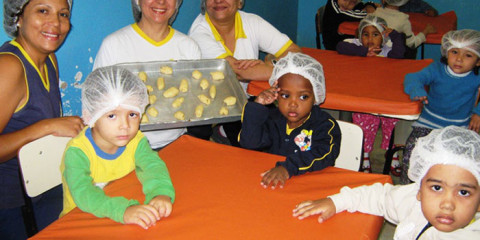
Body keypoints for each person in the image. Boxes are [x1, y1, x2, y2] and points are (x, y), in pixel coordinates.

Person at [293, 126, 480, 239]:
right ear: (419, 190)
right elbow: (380, 196)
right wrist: (336, 202)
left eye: (463, 192)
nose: (447, 204)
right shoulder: (412, 202)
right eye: (437, 188)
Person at [0, 0, 84, 239]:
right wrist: (45, 127)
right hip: (11, 205)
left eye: (63, 14)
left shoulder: (49, 60)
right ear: (18, 17)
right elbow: (41, 128)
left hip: (43, 189)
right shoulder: (9, 66)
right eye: (42, 10)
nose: (55, 23)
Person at [60, 66, 175, 230]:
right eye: (112, 115)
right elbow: (84, 194)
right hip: (83, 221)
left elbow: (152, 166)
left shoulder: (135, 141)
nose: (125, 126)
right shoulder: (78, 152)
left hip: (124, 210)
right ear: (90, 116)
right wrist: (123, 210)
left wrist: (160, 192)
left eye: (132, 114)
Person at [93, 0, 206, 149]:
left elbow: (194, 98)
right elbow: (96, 103)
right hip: (125, 147)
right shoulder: (114, 45)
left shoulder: (188, 47)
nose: (161, 2)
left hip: (176, 143)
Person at [188, 0, 302, 146]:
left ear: (239, 2)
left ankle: (224, 131)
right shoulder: (199, 33)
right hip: (209, 107)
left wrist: (271, 62)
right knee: (255, 144)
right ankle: (222, 130)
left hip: (244, 100)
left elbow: (295, 53)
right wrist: (275, 66)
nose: (218, 1)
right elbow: (237, 72)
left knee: (283, 128)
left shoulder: (251, 22)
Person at [239, 52, 341, 189]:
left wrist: (288, 168)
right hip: (271, 183)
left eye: (303, 97)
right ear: (276, 94)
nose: (293, 104)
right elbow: (249, 143)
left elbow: (324, 155)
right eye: (285, 95)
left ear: (316, 96)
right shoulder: (271, 118)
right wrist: (257, 107)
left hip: (309, 187)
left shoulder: (325, 125)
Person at [402, 29, 480, 184]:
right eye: (454, 52)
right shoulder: (436, 69)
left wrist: (477, 112)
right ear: (446, 53)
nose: (459, 59)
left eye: (468, 55)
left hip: (459, 128)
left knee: (461, 163)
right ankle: (408, 189)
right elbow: (412, 77)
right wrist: (417, 89)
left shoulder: (476, 77)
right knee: (411, 155)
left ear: (478, 61)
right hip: (427, 123)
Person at [336, 15, 405, 174]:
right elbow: (340, 46)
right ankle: (365, 155)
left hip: (385, 96)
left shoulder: (388, 51)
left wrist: (394, 35)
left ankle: (391, 153)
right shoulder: (356, 47)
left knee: (391, 121)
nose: (370, 39)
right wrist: (363, 51)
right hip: (364, 96)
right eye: (365, 34)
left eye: (376, 34)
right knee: (364, 121)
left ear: (383, 36)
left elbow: (400, 53)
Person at [371, 0, 436, 50]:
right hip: (392, 55)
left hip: (374, 51)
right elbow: (412, 44)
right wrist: (426, 31)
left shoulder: (376, 12)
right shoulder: (402, 19)